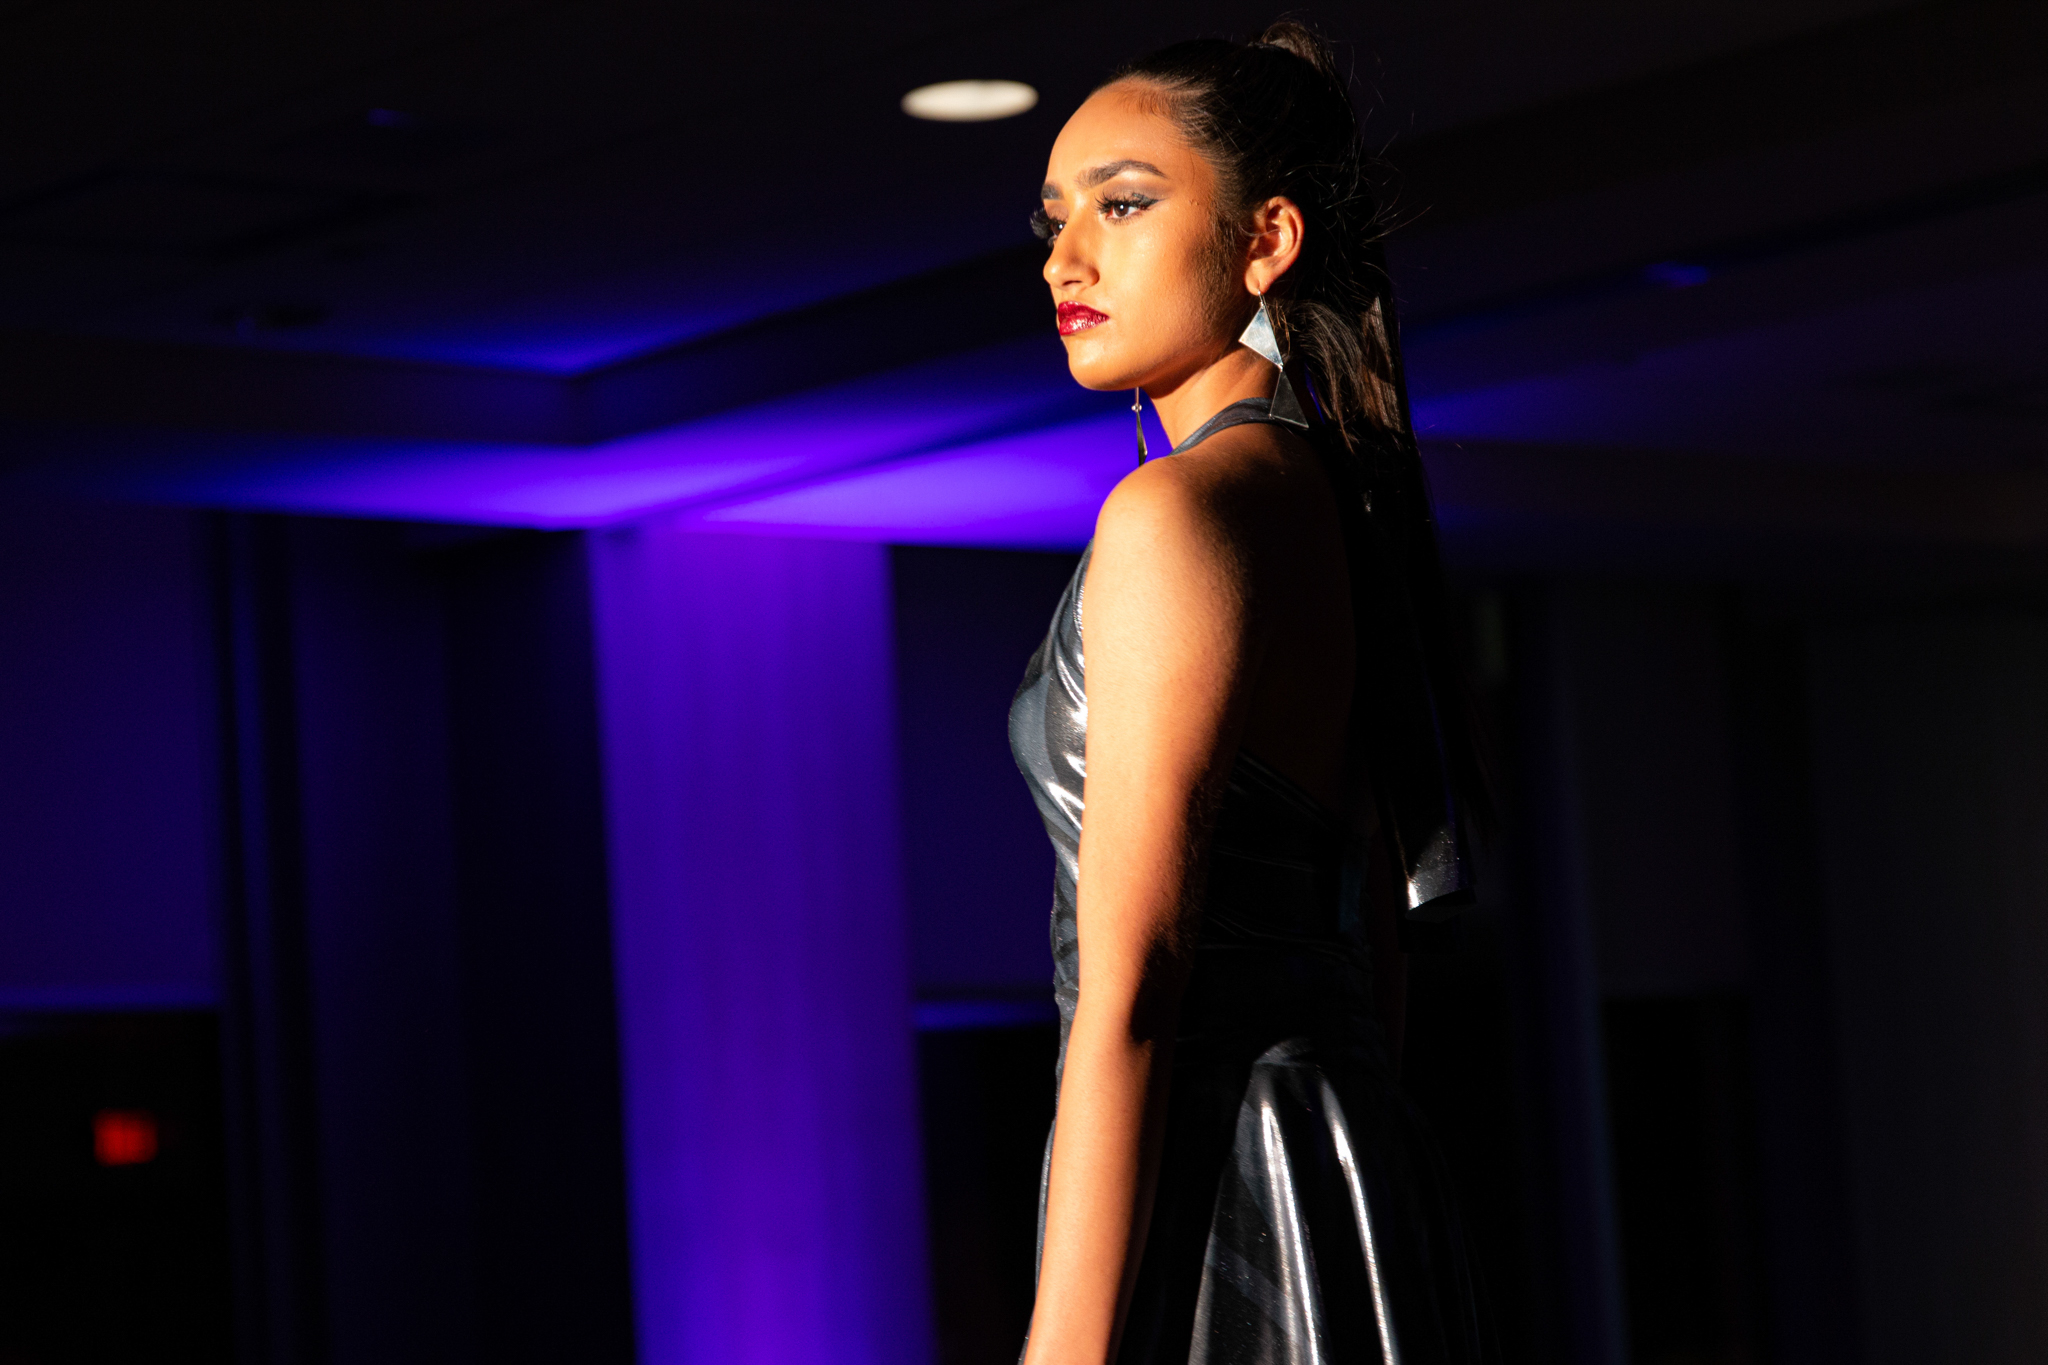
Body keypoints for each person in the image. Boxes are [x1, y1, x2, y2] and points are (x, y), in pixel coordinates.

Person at [1008, 22, 1495, 1365]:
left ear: (1266, 238)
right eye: (1054, 217)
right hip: (1341, 1174)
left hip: (1214, 1175)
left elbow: (1133, 985)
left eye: (1122, 204)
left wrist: (1064, 1347)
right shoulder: (1337, 504)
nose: (1064, 258)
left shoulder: (1175, 515)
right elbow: (1377, 948)